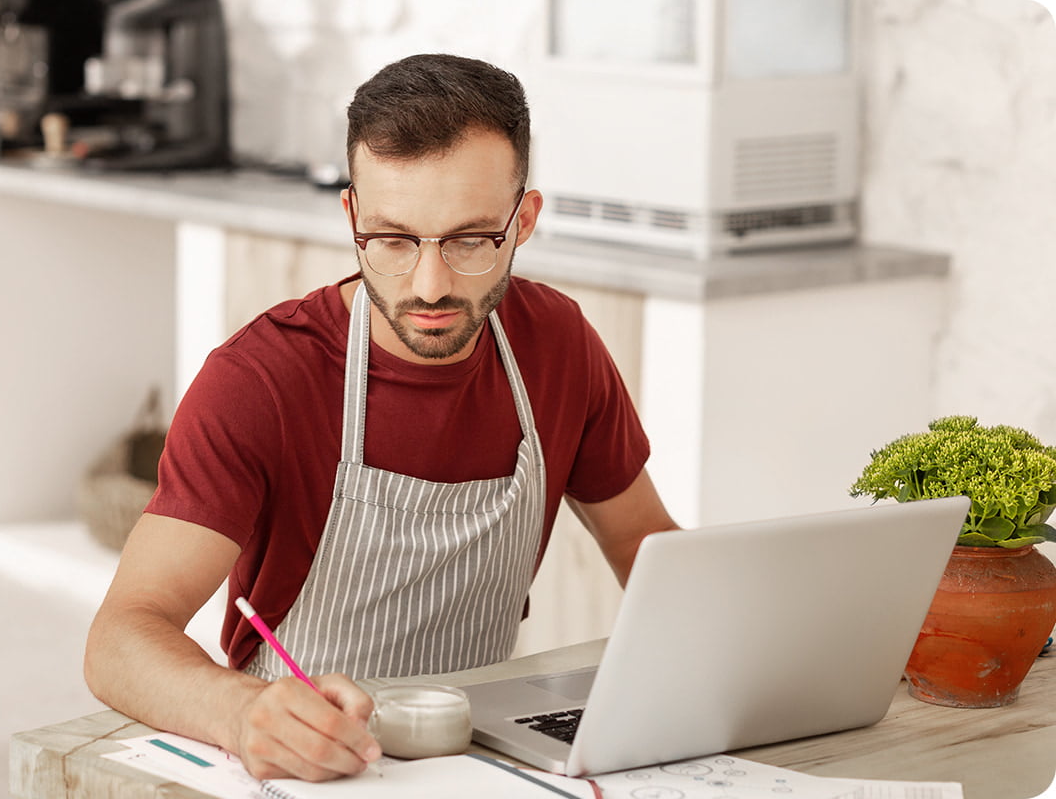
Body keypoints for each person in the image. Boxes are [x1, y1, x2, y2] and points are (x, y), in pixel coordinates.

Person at [84, 53, 677, 783]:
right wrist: (240, 712)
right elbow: (119, 639)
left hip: (484, 763)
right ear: (352, 216)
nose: (429, 285)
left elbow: (652, 554)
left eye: (469, 240)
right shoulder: (260, 382)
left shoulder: (559, 346)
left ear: (523, 221)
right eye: (393, 240)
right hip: (309, 771)